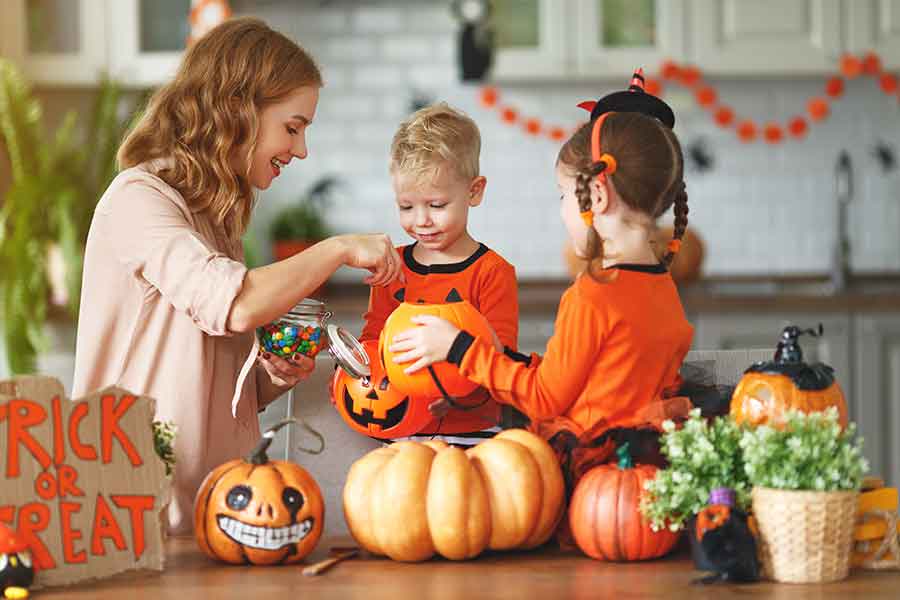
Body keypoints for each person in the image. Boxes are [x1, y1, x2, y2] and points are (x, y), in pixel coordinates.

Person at [72, 18, 403, 535]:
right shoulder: (139, 200)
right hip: (133, 518)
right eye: (292, 127)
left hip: (209, 512)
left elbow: (214, 384)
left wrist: (268, 378)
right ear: (239, 109)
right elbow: (236, 305)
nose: (300, 149)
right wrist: (337, 248)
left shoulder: (215, 220)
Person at [388, 72, 695, 492]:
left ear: (597, 197)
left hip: (588, 479)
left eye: (564, 196)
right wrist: (504, 358)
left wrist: (459, 349)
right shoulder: (662, 288)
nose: (563, 210)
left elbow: (545, 399)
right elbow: (592, 380)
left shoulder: (594, 294)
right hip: (642, 475)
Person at [358, 103, 520, 447]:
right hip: (402, 430)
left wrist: (462, 391)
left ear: (474, 192)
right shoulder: (392, 266)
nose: (421, 220)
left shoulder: (492, 272)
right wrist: (357, 375)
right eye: (406, 206)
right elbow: (373, 340)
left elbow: (501, 356)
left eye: (436, 205)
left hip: (473, 432)